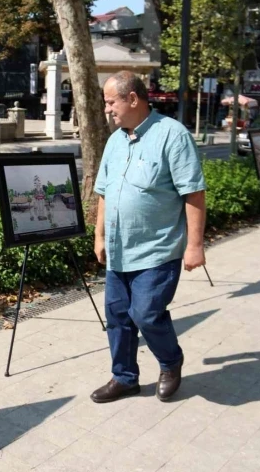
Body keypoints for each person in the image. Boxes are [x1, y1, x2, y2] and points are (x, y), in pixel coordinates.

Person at [90, 71, 207, 404]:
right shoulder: (114, 142)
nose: (107, 110)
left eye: (111, 102)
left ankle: (170, 361)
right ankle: (124, 377)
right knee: (118, 318)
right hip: (118, 249)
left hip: (157, 250)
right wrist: (99, 235)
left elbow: (194, 193)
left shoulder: (172, 135)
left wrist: (195, 246)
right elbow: (103, 193)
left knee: (146, 313)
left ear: (132, 99)